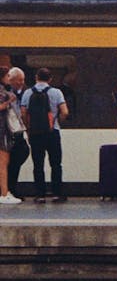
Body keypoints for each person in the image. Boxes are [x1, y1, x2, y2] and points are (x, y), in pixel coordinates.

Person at [20, 67, 69, 203]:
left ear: (36, 77)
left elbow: (23, 113)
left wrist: (28, 129)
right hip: (53, 132)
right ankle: (57, 194)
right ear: (50, 79)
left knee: (38, 164)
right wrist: (57, 121)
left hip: (35, 133)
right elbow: (65, 112)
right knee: (56, 164)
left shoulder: (27, 93)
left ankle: (40, 195)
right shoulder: (56, 92)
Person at [5, 67, 29, 200]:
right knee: (12, 161)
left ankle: (10, 188)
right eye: (19, 80)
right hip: (9, 133)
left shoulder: (17, 93)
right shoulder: (6, 94)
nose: (21, 83)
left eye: (23, 80)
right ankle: (9, 189)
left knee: (15, 160)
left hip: (16, 132)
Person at [0, 67, 22, 206]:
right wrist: (9, 101)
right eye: (7, 75)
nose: (9, 78)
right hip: (1, 130)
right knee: (3, 163)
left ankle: (4, 192)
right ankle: (4, 193)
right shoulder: (3, 92)